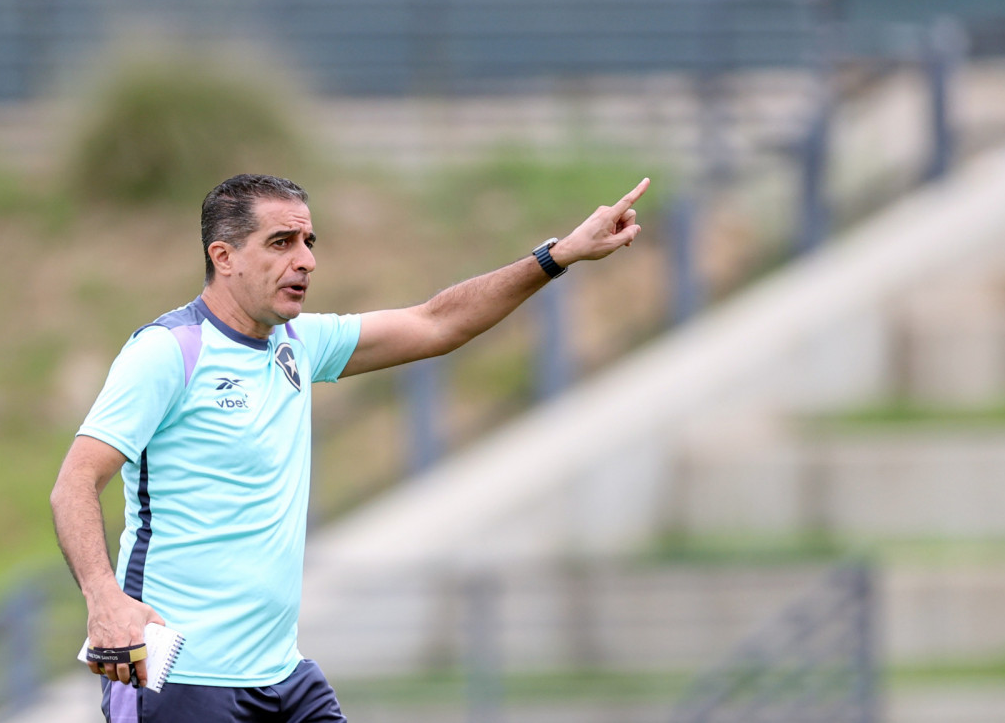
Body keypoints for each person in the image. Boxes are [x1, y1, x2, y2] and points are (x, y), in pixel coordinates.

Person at [49, 172, 649, 722]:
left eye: (310, 242)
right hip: (183, 683)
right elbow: (75, 483)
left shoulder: (299, 344)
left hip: (283, 676)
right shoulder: (168, 352)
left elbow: (438, 323)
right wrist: (104, 599)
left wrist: (558, 255)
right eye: (282, 243)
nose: (305, 260)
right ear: (223, 256)